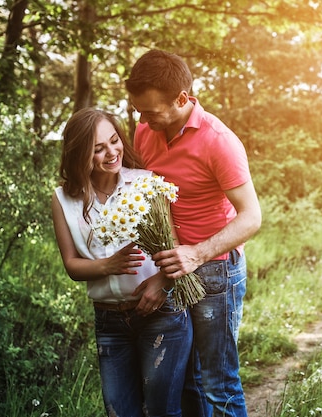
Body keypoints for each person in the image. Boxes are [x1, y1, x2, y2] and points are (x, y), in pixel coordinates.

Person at [125, 50, 262, 417]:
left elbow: (251, 218)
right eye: (139, 110)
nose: (142, 119)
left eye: (151, 111)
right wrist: (162, 274)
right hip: (173, 267)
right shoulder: (145, 131)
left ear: (182, 99)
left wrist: (196, 254)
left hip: (216, 270)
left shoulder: (220, 142)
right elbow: (150, 204)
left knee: (218, 383)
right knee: (188, 382)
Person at [51, 107, 193, 417]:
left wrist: (163, 284)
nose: (111, 152)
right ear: (78, 154)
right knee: (119, 411)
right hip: (109, 322)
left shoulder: (146, 183)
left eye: (114, 141)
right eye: (98, 149)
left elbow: (174, 248)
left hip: (161, 314)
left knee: (162, 411)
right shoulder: (63, 199)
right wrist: (108, 266)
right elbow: (72, 265)